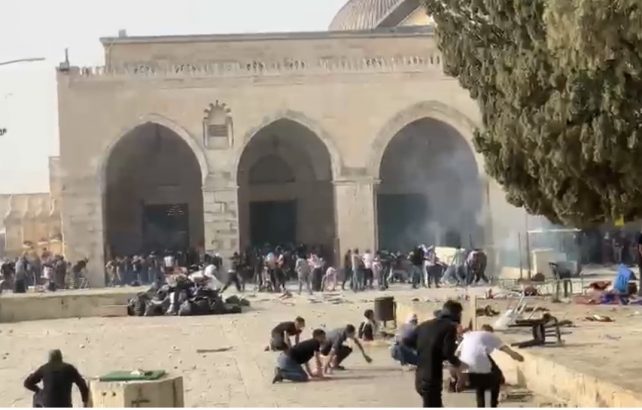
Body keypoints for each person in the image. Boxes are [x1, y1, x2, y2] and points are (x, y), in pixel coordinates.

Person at [404, 300, 466, 407]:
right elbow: (448, 352)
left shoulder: (424, 325)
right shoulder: (449, 327)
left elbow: (406, 341)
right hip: (432, 379)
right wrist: (459, 364)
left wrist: (424, 350)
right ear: (456, 314)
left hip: (419, 378)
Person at [456, 325, 523, 407]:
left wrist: (459, 379)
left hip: (467, 375)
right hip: (475, 372)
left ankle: (481, 406)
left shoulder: (470, 336)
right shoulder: (490, 336)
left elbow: (457, 355)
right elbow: (504, 348)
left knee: (480, 382)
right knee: (496, 378)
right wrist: (514, 355)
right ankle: (493, 405)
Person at [23, 350, 89, 408]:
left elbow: (27, 383)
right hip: (66, 405)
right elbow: (82, 385)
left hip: (48, 405)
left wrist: (38, 390)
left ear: (49, 359)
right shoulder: (70, 368)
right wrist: (85, 401)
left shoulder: (44, 368)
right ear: (61, 358)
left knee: (36, 396)